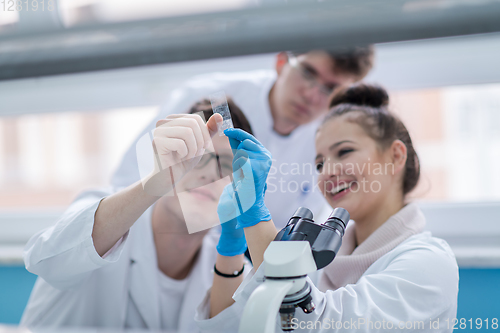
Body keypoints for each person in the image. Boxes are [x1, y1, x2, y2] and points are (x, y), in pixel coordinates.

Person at [196, 84, 459, 332]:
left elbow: (311, 323)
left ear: (395, 156)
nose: (328, 172)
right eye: (320, 163)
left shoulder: (428, 263)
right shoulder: (321, 263)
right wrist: (231, 249)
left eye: (344, 152)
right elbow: (241, 326)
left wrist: (255, 213)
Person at [21, 99, 253, 331]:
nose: (210, 175)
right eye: (200, 157)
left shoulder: (231, 268)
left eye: (227, 165)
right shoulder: (101, 208)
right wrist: (154, 183)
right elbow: (46, 261)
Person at [111, 49, 374, 228]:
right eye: (307, 73)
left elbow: (302, 228)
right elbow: (131, 179)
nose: (311, 95)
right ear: (281, 62)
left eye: (330, 88)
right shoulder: (213, 99)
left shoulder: (328, 143)